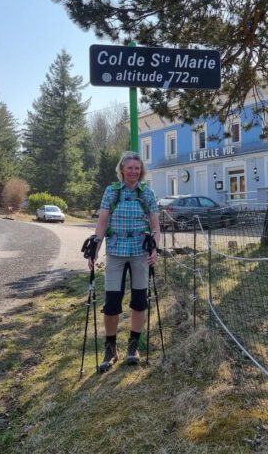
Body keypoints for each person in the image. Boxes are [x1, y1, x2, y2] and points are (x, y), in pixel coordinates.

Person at [89, 150, 160, 371]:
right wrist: (95, 249)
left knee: (139, 301)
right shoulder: (112, 192)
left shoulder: (147, 193)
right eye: (129, 168)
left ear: (141, 171)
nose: (133, 172)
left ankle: (133, 347)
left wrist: (154, 249)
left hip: (140, 252)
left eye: (137, 168)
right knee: (111, 304)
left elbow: (156, 227)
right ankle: (110, 349)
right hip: (116, 252)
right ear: (122, 169)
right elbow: (102, 223)